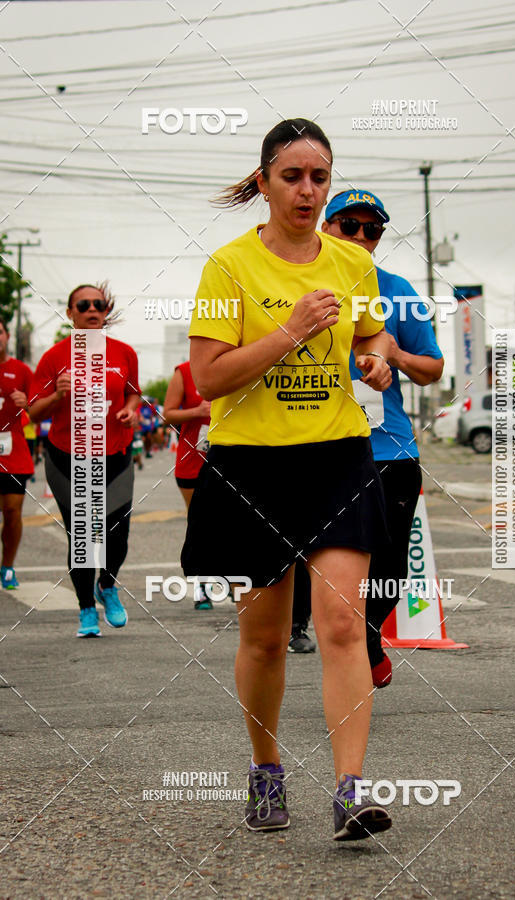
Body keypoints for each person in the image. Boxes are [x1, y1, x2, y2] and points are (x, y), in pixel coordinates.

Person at [182, 118, 395, 841]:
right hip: (253, 464)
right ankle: (266, 771)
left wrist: (375, 359)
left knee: (342, 623)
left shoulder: (353, 263)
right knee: (267, 638)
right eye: (293, 176)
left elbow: (370, 334)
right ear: (265, 182)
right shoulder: (228, 267)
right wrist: (291, 330)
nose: (308, 190)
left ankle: (351, 791)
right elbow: (210, 378)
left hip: (338, 455)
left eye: (319, 177)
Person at [322, 189, 444, 687]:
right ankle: (337, 637)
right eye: (348, 225)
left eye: (371, 229)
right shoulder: (300, 286)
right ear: (326, 227)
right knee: (325, 562)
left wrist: (395, 355)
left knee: (390, 567)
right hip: (319, 448)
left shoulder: (398, 291)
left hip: (389, 449)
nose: (360, 236)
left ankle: (368, 634)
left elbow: (432, 369)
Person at [29, 283, 141, 637]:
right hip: (68, 457)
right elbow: (33, 412)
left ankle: (107, 585)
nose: (92, 309)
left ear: (106, 311)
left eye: (98, 304)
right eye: (83, 305)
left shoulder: (124, 353)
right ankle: (86, 610)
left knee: (117, 533)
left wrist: (130, 411)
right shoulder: (54, 357)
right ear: (70, 313)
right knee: (82, 536)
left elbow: (133, 395)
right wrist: (56, 395)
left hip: (116, 454)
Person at [163, 361, 212, 610]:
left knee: (231, 523)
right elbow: (168, 414)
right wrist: (197, 411)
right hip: (192, 461)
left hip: (230, 458)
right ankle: (202, 586)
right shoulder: (184, 371)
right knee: (200, 523)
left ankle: (234, 579)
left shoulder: (239, 363)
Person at [0, 318, 34, 589]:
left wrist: (28, 403)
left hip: (13, 452)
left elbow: (40, 407)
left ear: (7, 336)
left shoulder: (21, 371)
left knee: (12, 512)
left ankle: (8, 567)